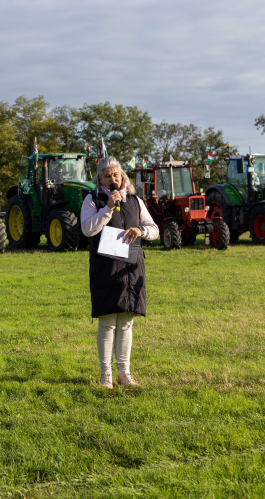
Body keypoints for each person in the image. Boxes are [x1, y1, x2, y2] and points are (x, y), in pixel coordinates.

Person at [80, 157, 159, 388]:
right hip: (105, 268)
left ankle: (124, 373)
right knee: (107, 323)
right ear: (99, 179)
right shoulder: (92, 200)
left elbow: (154, 229)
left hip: (130, 269)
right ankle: (106, 375)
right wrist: (107, 208)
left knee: (125, 322)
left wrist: (140, 230)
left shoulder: (135, 200)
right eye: (107, 175)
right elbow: (87, 229)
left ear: (122, 177)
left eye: (116, 175)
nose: (113, 179)